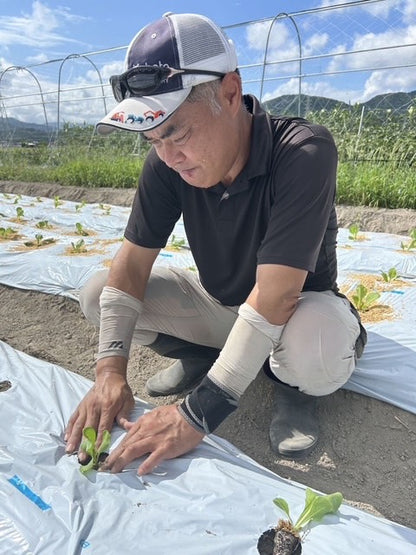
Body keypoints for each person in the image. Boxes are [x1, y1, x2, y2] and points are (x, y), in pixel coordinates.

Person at [64, 12, 367, 475]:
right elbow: (129, 268)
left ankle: (292, 389)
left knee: (316, 344)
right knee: (98, 293)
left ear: (228, 93)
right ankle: (203, 356)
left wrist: (196, 415)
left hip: (299, 311)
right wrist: (109, 372)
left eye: (178, 133)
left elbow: (279, 294)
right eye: (151, 140)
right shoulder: (166, 164)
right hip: (224, 305)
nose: (168, 155)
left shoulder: (303, 151)